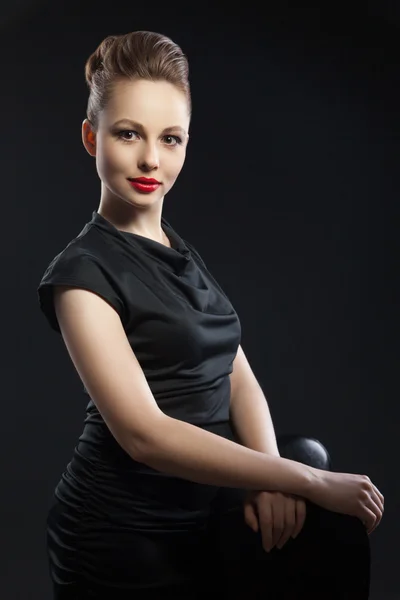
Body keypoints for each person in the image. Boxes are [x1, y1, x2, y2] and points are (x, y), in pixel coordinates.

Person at [37, 30, 383, 599]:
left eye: (171, 139)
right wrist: (306, 480)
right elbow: (144, 435)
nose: (151, 158)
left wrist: (269, 478)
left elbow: (235, 372)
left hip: (208, 504)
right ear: (90, 135)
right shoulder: (81, 273)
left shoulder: (175, 246)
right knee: (313, 473)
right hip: (125, 535)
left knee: (313, 494)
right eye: (128, 134)